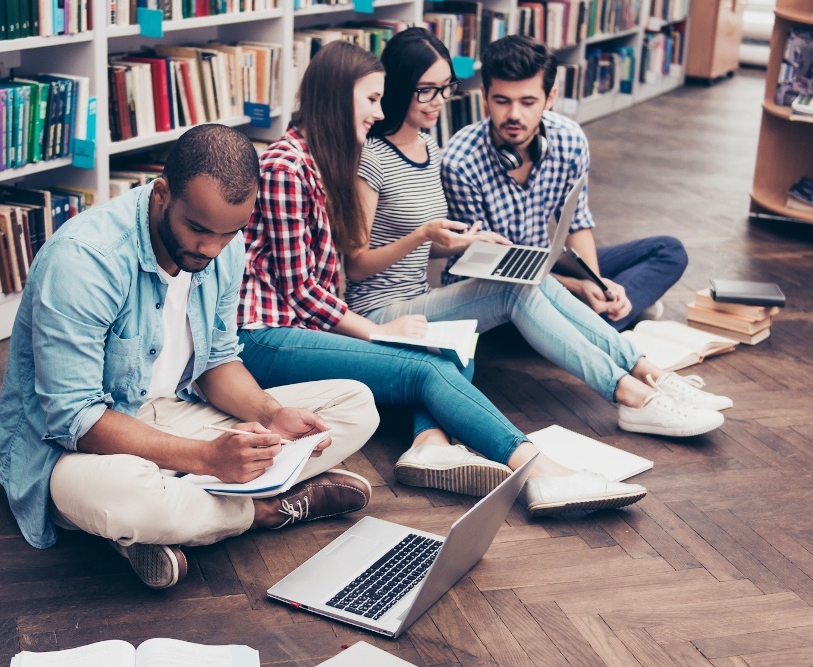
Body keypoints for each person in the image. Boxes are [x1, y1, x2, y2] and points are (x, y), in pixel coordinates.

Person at [237, 39, 647, 518]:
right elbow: (302, 291)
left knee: (451, 345)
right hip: (267, 336)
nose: (378, 111)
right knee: (429, 365)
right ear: (337, 96)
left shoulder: (316, 162)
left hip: (303, 327)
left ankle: (433, 443)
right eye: (371, 99)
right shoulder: (289, 167)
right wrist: (375, 330)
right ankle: (542, 472)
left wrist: (455, 245)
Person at [0, 125, 380, 590]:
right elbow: (75, 419)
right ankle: (260, 510)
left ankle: (168, 521)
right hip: (75, 448)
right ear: (162, 194)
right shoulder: (84, 260)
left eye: (229, 233)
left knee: (355, 404)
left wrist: (272, 415)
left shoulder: (222, 249)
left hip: (176, 416)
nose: (211, 248)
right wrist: (208, 459)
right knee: (124, 496)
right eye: (197, 229)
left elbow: (217, 362)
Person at [343, 28, 729, 438]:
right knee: (520, 286)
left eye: (445, 88)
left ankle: (648, 373)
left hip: (423, 298)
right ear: (401, 87)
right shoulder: (375, 157)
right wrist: (425, 237)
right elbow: (357, 265)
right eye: (427, 90)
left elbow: (428, 252)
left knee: (536, 276)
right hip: (380, 313)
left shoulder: (429, 148)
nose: (439, 100)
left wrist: (456, 243)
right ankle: (630, 395)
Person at [441, 35, 688, 332]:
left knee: (669, 250)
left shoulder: (569, 139)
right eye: (502, 101)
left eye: (528, 102)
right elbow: (487, 264)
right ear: (484, 95)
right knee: (533, 309)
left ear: (550, 97)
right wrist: (577, 289)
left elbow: (577, 224)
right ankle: (615, 318)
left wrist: (595, 285)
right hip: (493, 287)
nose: (514, 115)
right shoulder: (460, 161)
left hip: (544, 263)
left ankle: (603, 316)